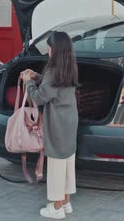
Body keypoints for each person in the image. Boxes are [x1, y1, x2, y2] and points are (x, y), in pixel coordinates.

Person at [20, 31, 79, 220]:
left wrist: (28, 82)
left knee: (56, 162)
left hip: (57, 122)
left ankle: (56, 207)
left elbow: (40, 97)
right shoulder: (69, 67)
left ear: (55, 49)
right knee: (68, 160)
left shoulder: (53, 71)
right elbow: (52, 86)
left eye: (49, 48)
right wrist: (37, 77)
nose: (47, 52)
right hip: (70, 120)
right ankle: (66, 202)